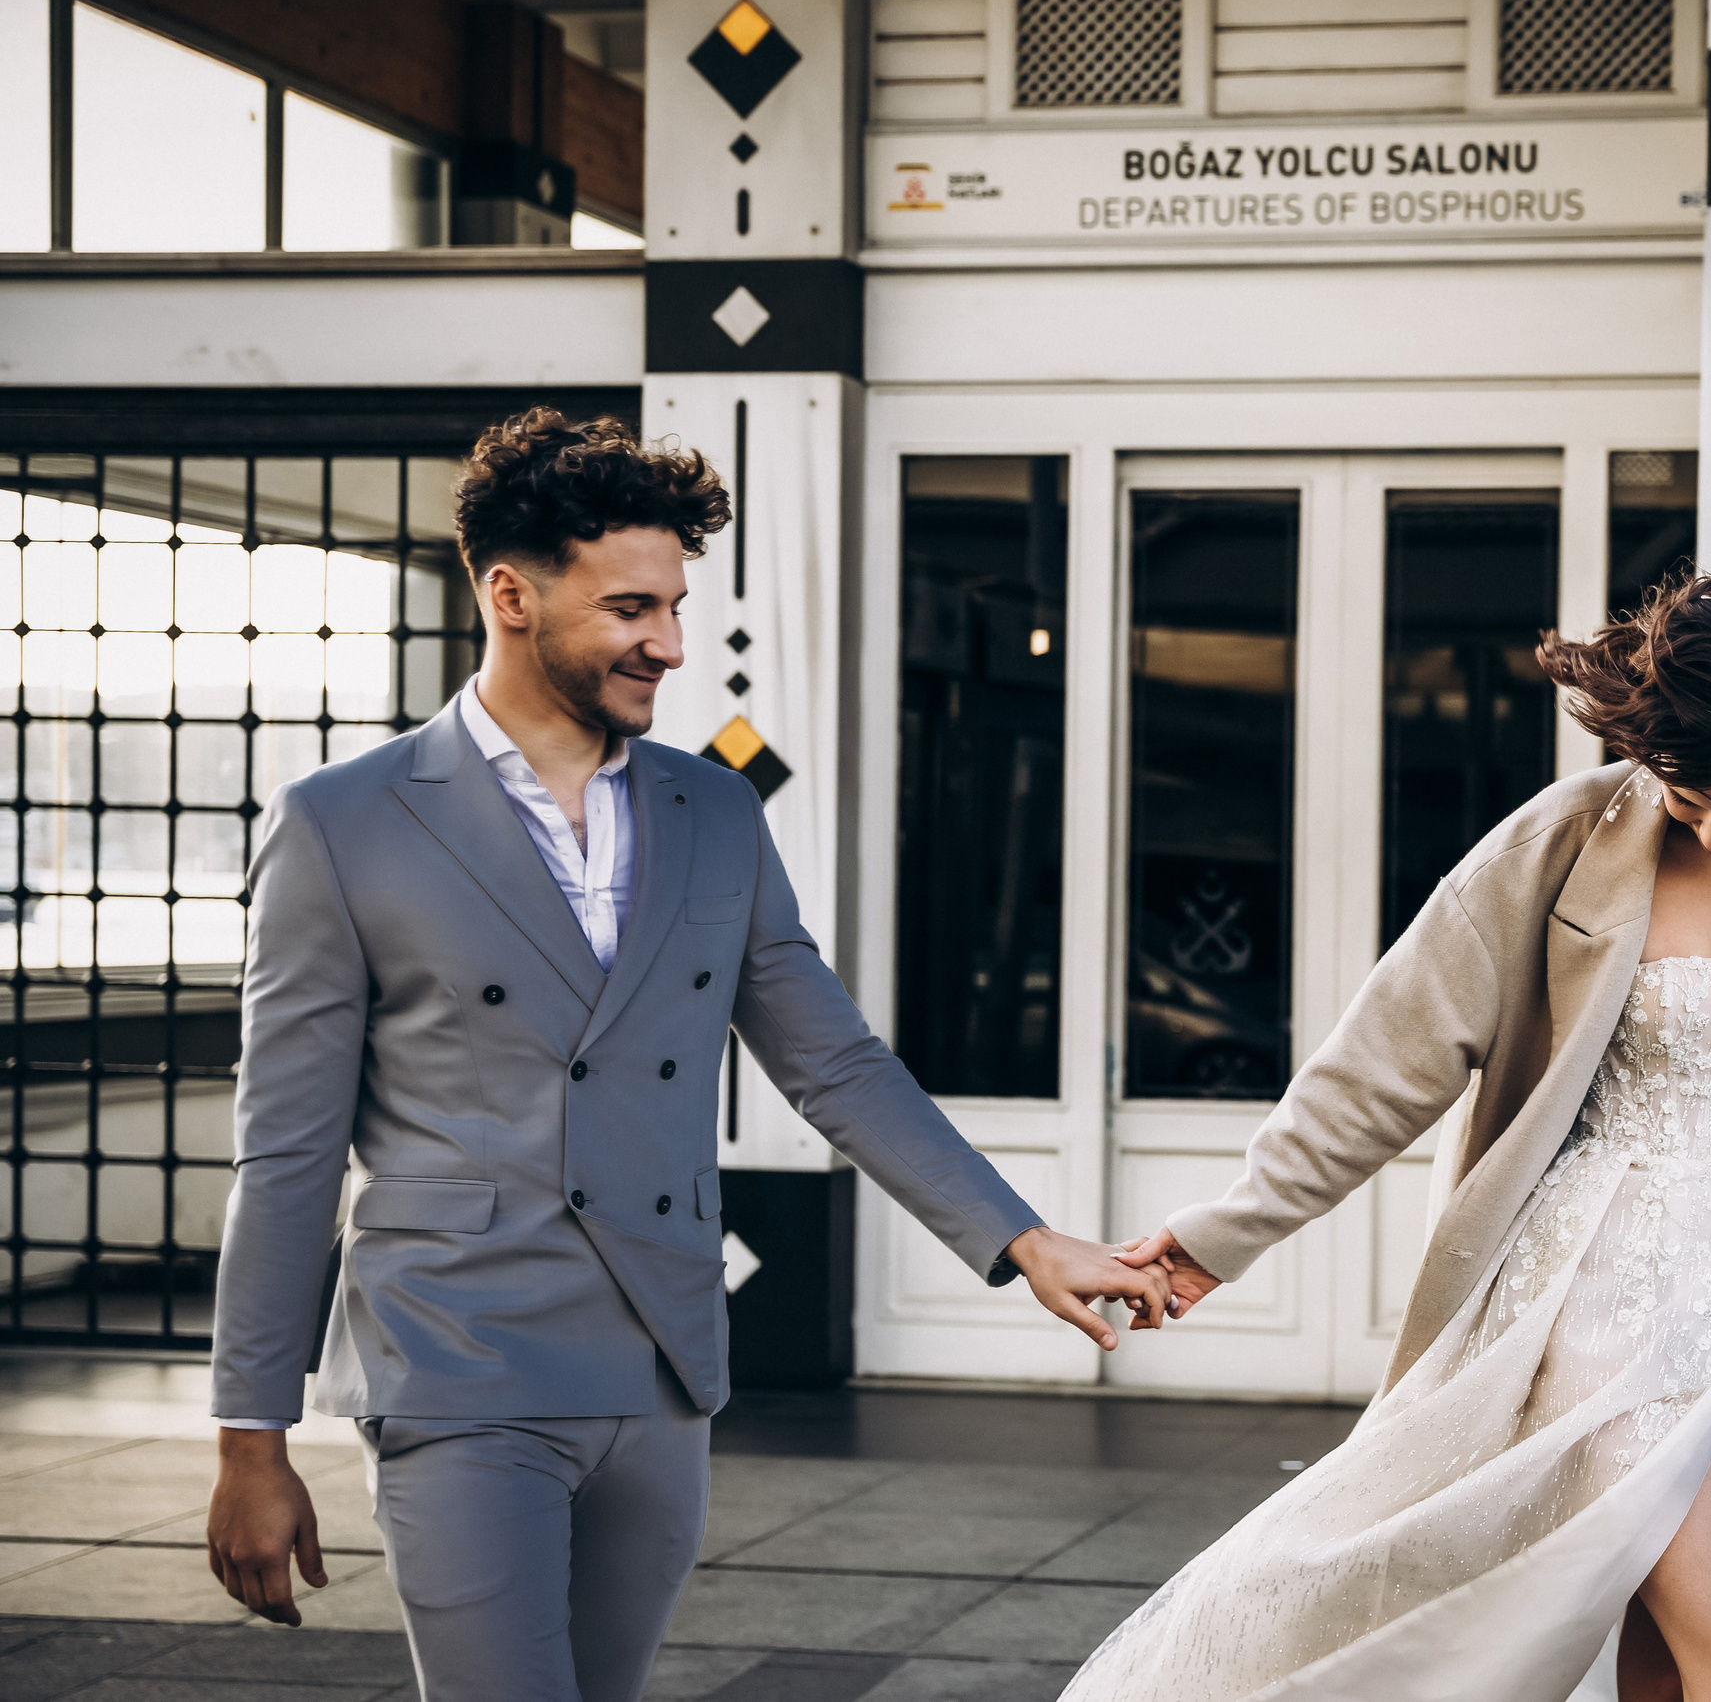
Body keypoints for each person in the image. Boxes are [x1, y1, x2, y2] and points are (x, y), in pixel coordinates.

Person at [202, 411, 1173, 1702]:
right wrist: (248, 1438)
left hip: (661, 1375)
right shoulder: (342, 826)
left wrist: (1023, 1236)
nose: (668, 641)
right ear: (509, 594)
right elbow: (286, 1150)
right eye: (631, 608)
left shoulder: (713, 806)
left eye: (675, 605)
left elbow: (833, 1059)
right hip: (460, 1366)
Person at [1087, 575, 1711, 1701]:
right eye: (1685, 800)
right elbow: (1383, 1061)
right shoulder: (1557, 842)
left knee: (1670, 1663)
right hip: (1606, 1296)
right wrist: (1221, 1235)